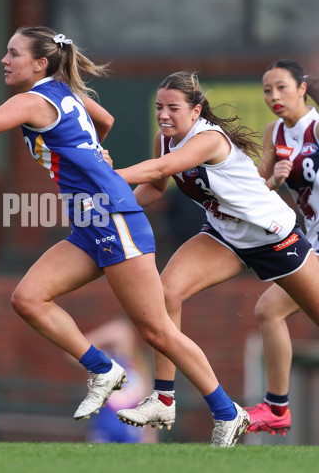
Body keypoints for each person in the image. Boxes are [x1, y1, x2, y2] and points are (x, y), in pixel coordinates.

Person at [0, 26, 248, 446]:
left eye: (13, 53)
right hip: (89, 222)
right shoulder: (63, 92)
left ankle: (228, 412)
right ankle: (102, 368)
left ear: (40, 63)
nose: (4, 60)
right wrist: (93, 152)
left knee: (156, 330)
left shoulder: (35, 99)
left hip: (113, 217)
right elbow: (105, 120)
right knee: (28, 298)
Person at [112, 70, 319, 437]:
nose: (163, 115)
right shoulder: (166, 138)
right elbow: (156, 187)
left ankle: (275, 408)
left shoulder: (207, 138)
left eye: (173, 108)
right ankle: (163, 399)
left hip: (273, 237)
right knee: (166, 293)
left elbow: (161, 169)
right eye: (159, 107)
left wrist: (106, 175)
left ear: (195, 112)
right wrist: (111, 205)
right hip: (224, 235)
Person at [243, 59, 319, 436]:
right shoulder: (274, 133)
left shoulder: (318, 127)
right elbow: (254, 193)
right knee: (268, 311)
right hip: (314, 243)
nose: (274, 96)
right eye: (267, 90)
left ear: (302, 88)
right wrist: (273, 179)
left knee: (268, 309)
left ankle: (276, 408)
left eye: (282, 88)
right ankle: (277, 409)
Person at [82, 317, 156, 443]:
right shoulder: (103, 361)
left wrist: (150, 435)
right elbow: (73, 355)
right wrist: (102, 334)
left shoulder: (140, 364)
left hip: (133, 430)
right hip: (104, 427)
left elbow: (150, 402)